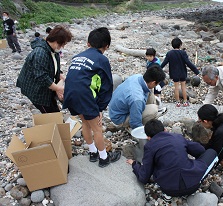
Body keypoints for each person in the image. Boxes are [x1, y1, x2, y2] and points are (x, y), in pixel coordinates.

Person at [63, 27, 121, 168]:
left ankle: (92, 152)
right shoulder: (102, 59)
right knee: (97, 128)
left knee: (85, 123)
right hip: (84, 96)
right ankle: (103, 157)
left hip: (70, 94)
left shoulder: (77, 56)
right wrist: (100, 108)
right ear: (106, 46)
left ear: (88, 43)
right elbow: (107, 86)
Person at [126, 119, 218, 197]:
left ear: (148, 137)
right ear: (165, 130)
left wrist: (134, 164)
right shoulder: (177, 137)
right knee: (211, 152)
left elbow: (144, 177)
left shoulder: (149, 146)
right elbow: (200, 150)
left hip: (168, 190)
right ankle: (199, 173)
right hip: (194, 184)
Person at [16, 25, 72, 113]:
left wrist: (63, 78)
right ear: (57, 42)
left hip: (47, 86)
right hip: (36, 90)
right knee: (51, 113)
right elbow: (42, 77)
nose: (63, 47)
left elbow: (54, 68)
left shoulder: (53, 51)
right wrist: (58, 88)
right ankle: (53, 124)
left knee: (54, 106)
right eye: (63, 44)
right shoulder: (40, 53)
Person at [109, 65, 166, 130]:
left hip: (116, 109)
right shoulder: (137, 98)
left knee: (150, 90)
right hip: (119, 118)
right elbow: (135, 123)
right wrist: (142, 132)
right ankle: (128, 125)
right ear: (153, 82)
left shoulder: (138, 77)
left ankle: (141, 109)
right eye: (157, 84)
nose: (157, 85)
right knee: (154, 109)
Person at [161, 37, 199, 107]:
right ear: (180, 45)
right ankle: (185, 101)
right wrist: (196, 71)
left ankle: (178, 102)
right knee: (183, 87)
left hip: (174, 73)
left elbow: (164, 63)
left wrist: (159, 69)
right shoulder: (183, 53)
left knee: (176, 87)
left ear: (172, 45)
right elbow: (188, 63)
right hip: (182, 73)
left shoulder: (169, 53)